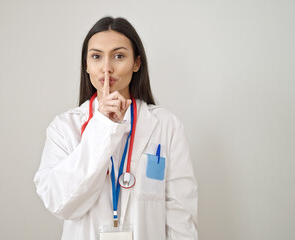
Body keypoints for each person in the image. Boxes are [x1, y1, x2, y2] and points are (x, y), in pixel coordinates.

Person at [34, 16, 198, 240]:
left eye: (119, 56)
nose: (106, 68)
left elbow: (181, 217)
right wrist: (102, 125)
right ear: (87, 65)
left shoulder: (167, 126)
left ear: (137, 63)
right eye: (96, 57)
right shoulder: (63, 127)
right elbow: (61, 203)